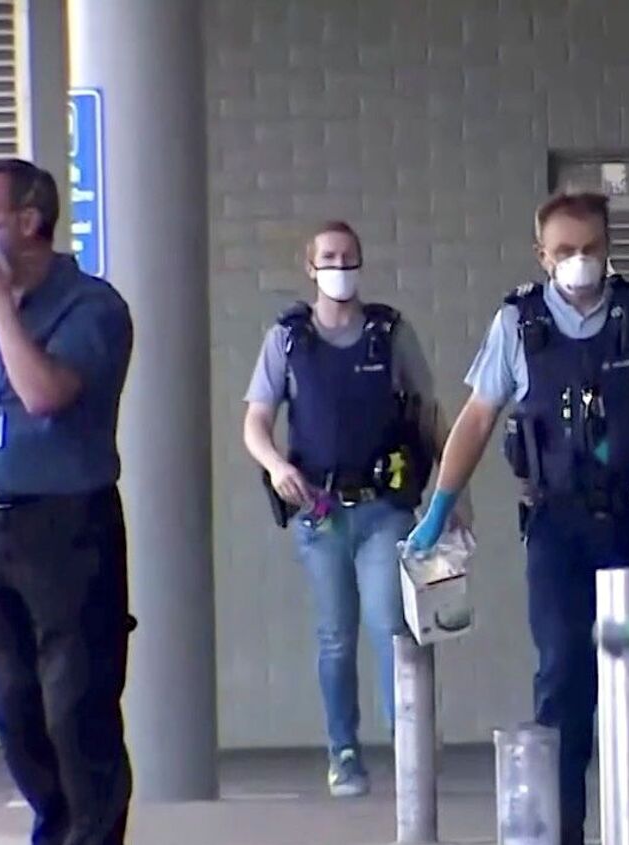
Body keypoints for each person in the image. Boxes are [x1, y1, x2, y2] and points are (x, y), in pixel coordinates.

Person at [405, 191, 629, 845]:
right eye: (564, 250)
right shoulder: (517, 325)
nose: (579, 261)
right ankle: (563, 831)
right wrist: (439, 507)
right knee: (564, 675)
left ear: (608, 246)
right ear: (542, 255)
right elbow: (477, 417)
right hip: (558, 528)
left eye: (590, 247)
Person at [0, 158, 136, 845]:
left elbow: (45, 393)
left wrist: (1, 305)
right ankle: (53, 826)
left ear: (29, 221)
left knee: (76, 706)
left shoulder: (92, 306)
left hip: (68, 528)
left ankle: (90, 833)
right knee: (16, 704)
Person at [241, 221, 450, 797]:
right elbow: (255, 421)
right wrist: (278, 465)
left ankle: (407, 740)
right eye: (328, 257)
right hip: (320, 510)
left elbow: (430, 413)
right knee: (335, 635)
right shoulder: (287, 339)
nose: (339, 266)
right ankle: (344, 750)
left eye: (348, 256)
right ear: (310, 267)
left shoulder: (389, 333)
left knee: (392, 624)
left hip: (385, 505)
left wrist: (455, 494)